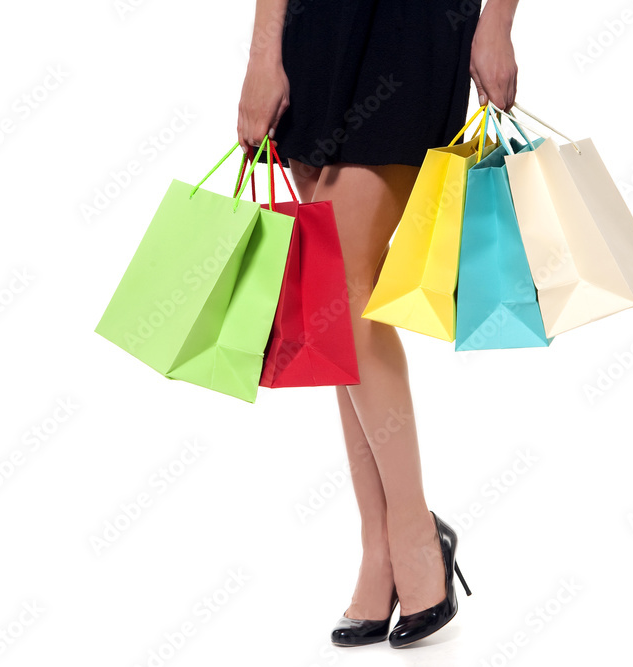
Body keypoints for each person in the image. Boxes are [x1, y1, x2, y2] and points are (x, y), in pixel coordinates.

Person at [237, 0, 519, 648]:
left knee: (341, 280)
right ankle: (382, 544)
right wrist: (263, 55)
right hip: (318, 32)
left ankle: (414, 533)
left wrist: (497, 22)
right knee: (336, 290)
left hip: (413, 28)